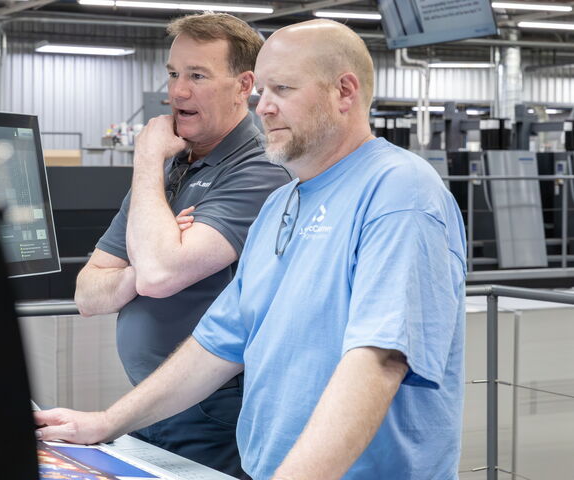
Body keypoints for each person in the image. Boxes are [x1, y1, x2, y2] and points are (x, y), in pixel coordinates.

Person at [39, 19, 466, 480]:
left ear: (344, 92)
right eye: (262, 91)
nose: (263, 107)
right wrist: (106, 422)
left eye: (282, 88)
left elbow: (377, 361)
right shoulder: (281, 205)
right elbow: (217, 345)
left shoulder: (400, 193)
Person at [72, 12, 291, 478]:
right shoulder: (170, 173)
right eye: (173, 74)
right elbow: (88, 294)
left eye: (197, 76)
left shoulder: (259, 172)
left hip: (212, 412)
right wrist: (138, 270)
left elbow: (162, 273)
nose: (177, 92)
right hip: (152, 403)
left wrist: (147, 158)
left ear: (242, 85)